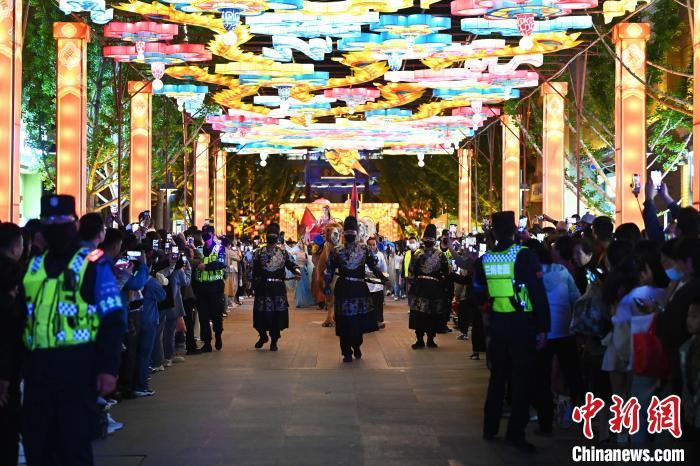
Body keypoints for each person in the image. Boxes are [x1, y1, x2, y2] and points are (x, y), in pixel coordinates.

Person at [21, 194, 126, 465]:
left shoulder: (93, 262)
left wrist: (108, 367)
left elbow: (112, 318)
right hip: (36, 369)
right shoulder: (33, 265)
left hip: (78, 366)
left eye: (62, 220)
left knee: (73, 445)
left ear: (75, 224)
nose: (55, 226)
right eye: (49, 220)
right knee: (37, 446)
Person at [473, 211, 550, 453]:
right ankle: (516, 434)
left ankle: (490, 427)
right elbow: (537, 293)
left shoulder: (485, 260)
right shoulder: (524, 256)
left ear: (493, 232)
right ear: (515, 230)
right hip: (522, 325)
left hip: (498, 326)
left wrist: (487, 309)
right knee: (521, 381)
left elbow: (477, 290)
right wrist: (543, 327)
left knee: (497, 378)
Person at [526, 240, 583, 435]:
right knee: (574, 376)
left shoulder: (529, 275)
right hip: (566, 332)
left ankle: (545, 423)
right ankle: (582, 417)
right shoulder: (562, 271)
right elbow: (576, 298)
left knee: (541, 379)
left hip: (542, 333)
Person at [325, 216, 387, 362]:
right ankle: (346, 352)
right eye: (348, 231)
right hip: (343, 290)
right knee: (344, 322)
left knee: (358, 321)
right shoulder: (337, 251)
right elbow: (329, 270)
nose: (350, 234)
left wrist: (385, 279)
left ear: (357, 233)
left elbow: (374, 267)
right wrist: (326, 286)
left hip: (359, 290)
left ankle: (357, 345)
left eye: (352, 231)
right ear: (344, 233)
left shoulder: (365, 250)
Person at [252, 223, 301, 351]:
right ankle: (263, 336)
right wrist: (254, 285)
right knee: (260, 315)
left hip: (277, 288)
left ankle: (274, 341)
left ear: (278, 237)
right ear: (266, 236)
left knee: (276, 316)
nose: (272, 237)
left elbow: (292, 264)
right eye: (270, 235)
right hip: (263, 287)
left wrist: (297, 272)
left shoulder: (283, 253)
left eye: (274, 235)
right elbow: (254, 271)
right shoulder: (258, 253)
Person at [0, 223, 25, 466]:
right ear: (15, 247)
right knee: (8, 429)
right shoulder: (14, 275)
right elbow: (10, 328)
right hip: (9, 364)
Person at [408, 224, 450, 349]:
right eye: (427, 238)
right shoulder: (417, 254)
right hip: (420, 288)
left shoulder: (440, 255)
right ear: (423, 239)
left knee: (432, 314)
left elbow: (446, 271)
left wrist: (442, 285)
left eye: (430, 238)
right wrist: (412, 285)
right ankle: (420, 339)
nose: (428, 240)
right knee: (419, 315)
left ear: (434, 240)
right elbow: (411, 270)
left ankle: (431, 339)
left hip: (434, 289)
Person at [192, 229, 227, 352]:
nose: (205, 237)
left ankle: (218, 335)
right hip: (201, 287)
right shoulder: (199, 249)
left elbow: (221, 263)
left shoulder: (219, 248)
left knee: (216, 314)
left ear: (212, 235)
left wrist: (206, 267)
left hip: (215, 287)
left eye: (208, 234)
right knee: (203, 316)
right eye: (204, 234)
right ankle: (207, 343)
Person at [680, 296, 700, 436]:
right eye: (688, 316)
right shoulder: (687, 347)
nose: (689, 320)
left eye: (694, 316)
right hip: (693, 413)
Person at [367, 236, 387, 329]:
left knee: (378, 304)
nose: (372, 247)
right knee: (368, 304)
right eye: (370, 245)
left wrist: (384, 280)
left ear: (376, 245)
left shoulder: (380, 255)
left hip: (378, 284)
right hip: (367, 284)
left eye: (373, 245)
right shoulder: (364, 255)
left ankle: (378, 321)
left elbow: (384, 269)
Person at [293, 239, 316, 308]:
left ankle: (305, 301)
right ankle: (299, 302)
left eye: (301, 243)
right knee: (299, 286)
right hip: (298, 270)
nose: (300, 244)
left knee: (305, 286)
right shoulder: (296, 252)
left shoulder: (305, 254)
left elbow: (308, 263)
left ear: (303, 245)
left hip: (303, 270)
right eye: (299, 243)